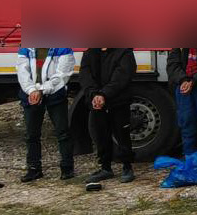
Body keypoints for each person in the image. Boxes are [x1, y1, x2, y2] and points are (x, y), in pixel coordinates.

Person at [16, 45, 77, 182]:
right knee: (31, 134)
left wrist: (42, 90)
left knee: (63, 132)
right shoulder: (26, 48)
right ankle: (34, 169)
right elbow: (22, 72)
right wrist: (32, 90)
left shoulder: (63, 48)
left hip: (55, 95)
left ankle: (67, 168)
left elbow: (63, 75)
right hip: (31, 95)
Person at [80, 47, 136, 183]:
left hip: (118, 102)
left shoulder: (124, 51)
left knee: (122, 135)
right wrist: (94, 95)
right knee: (101, 135)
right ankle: (106, 168)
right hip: (97, 102)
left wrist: (104, 94)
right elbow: (85, 77)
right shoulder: (89, 53)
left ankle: (127, 167)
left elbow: (122, 77)